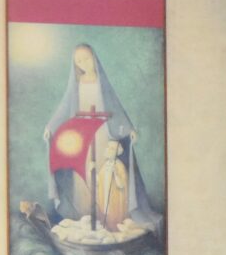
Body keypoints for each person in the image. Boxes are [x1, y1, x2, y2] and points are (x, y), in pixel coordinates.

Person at [44, 43, 161, 236]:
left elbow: (115, 104)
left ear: (94, 57)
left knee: (104, 173)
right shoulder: (77, 83)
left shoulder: (102, 82)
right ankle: (85, 215)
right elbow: (65, 106)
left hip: (102, 133)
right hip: (82, 137)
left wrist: (129, 127)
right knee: (84, 174)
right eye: (79, 61)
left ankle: (107, 216)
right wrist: (51, 126)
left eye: (86, 58)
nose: (84, 63)